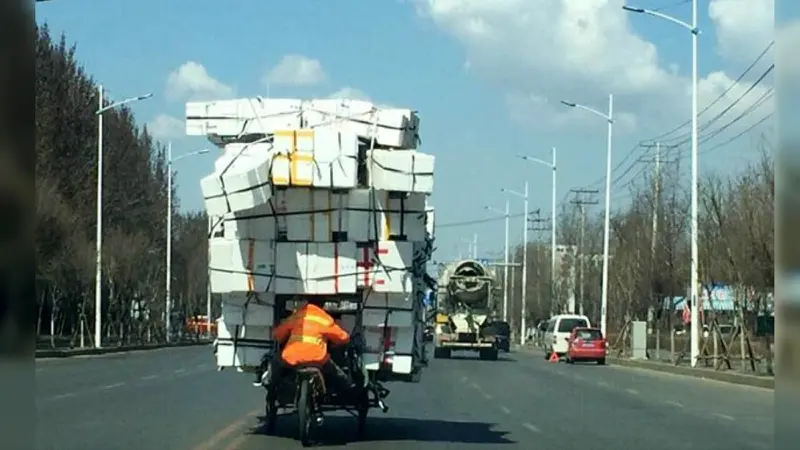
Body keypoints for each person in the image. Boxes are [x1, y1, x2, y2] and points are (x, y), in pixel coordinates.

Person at [260, 298, 355, 394]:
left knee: (276, 363)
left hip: (292, 357)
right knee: (338, 374)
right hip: (317, 358)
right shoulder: (324, 319)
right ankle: (349, 387)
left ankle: (268, 382)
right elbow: (342, 338)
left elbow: (278, 334)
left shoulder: (297, 316)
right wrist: (346, 337)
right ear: (322, 305)